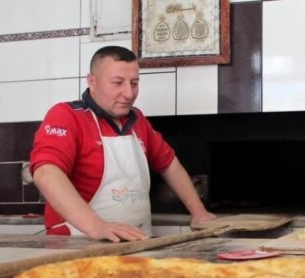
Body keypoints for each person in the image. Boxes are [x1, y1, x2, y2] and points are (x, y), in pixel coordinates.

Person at [30, 46, 215, 242]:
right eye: (117, 83)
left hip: (136, 243)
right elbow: (46, 173)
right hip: (77, 244)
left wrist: (199, 212)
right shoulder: (66, 116)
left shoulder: (137, 120)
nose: (128, 93)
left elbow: (169, 165)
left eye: (134, 83)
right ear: (92, 82)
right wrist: (96, 225)